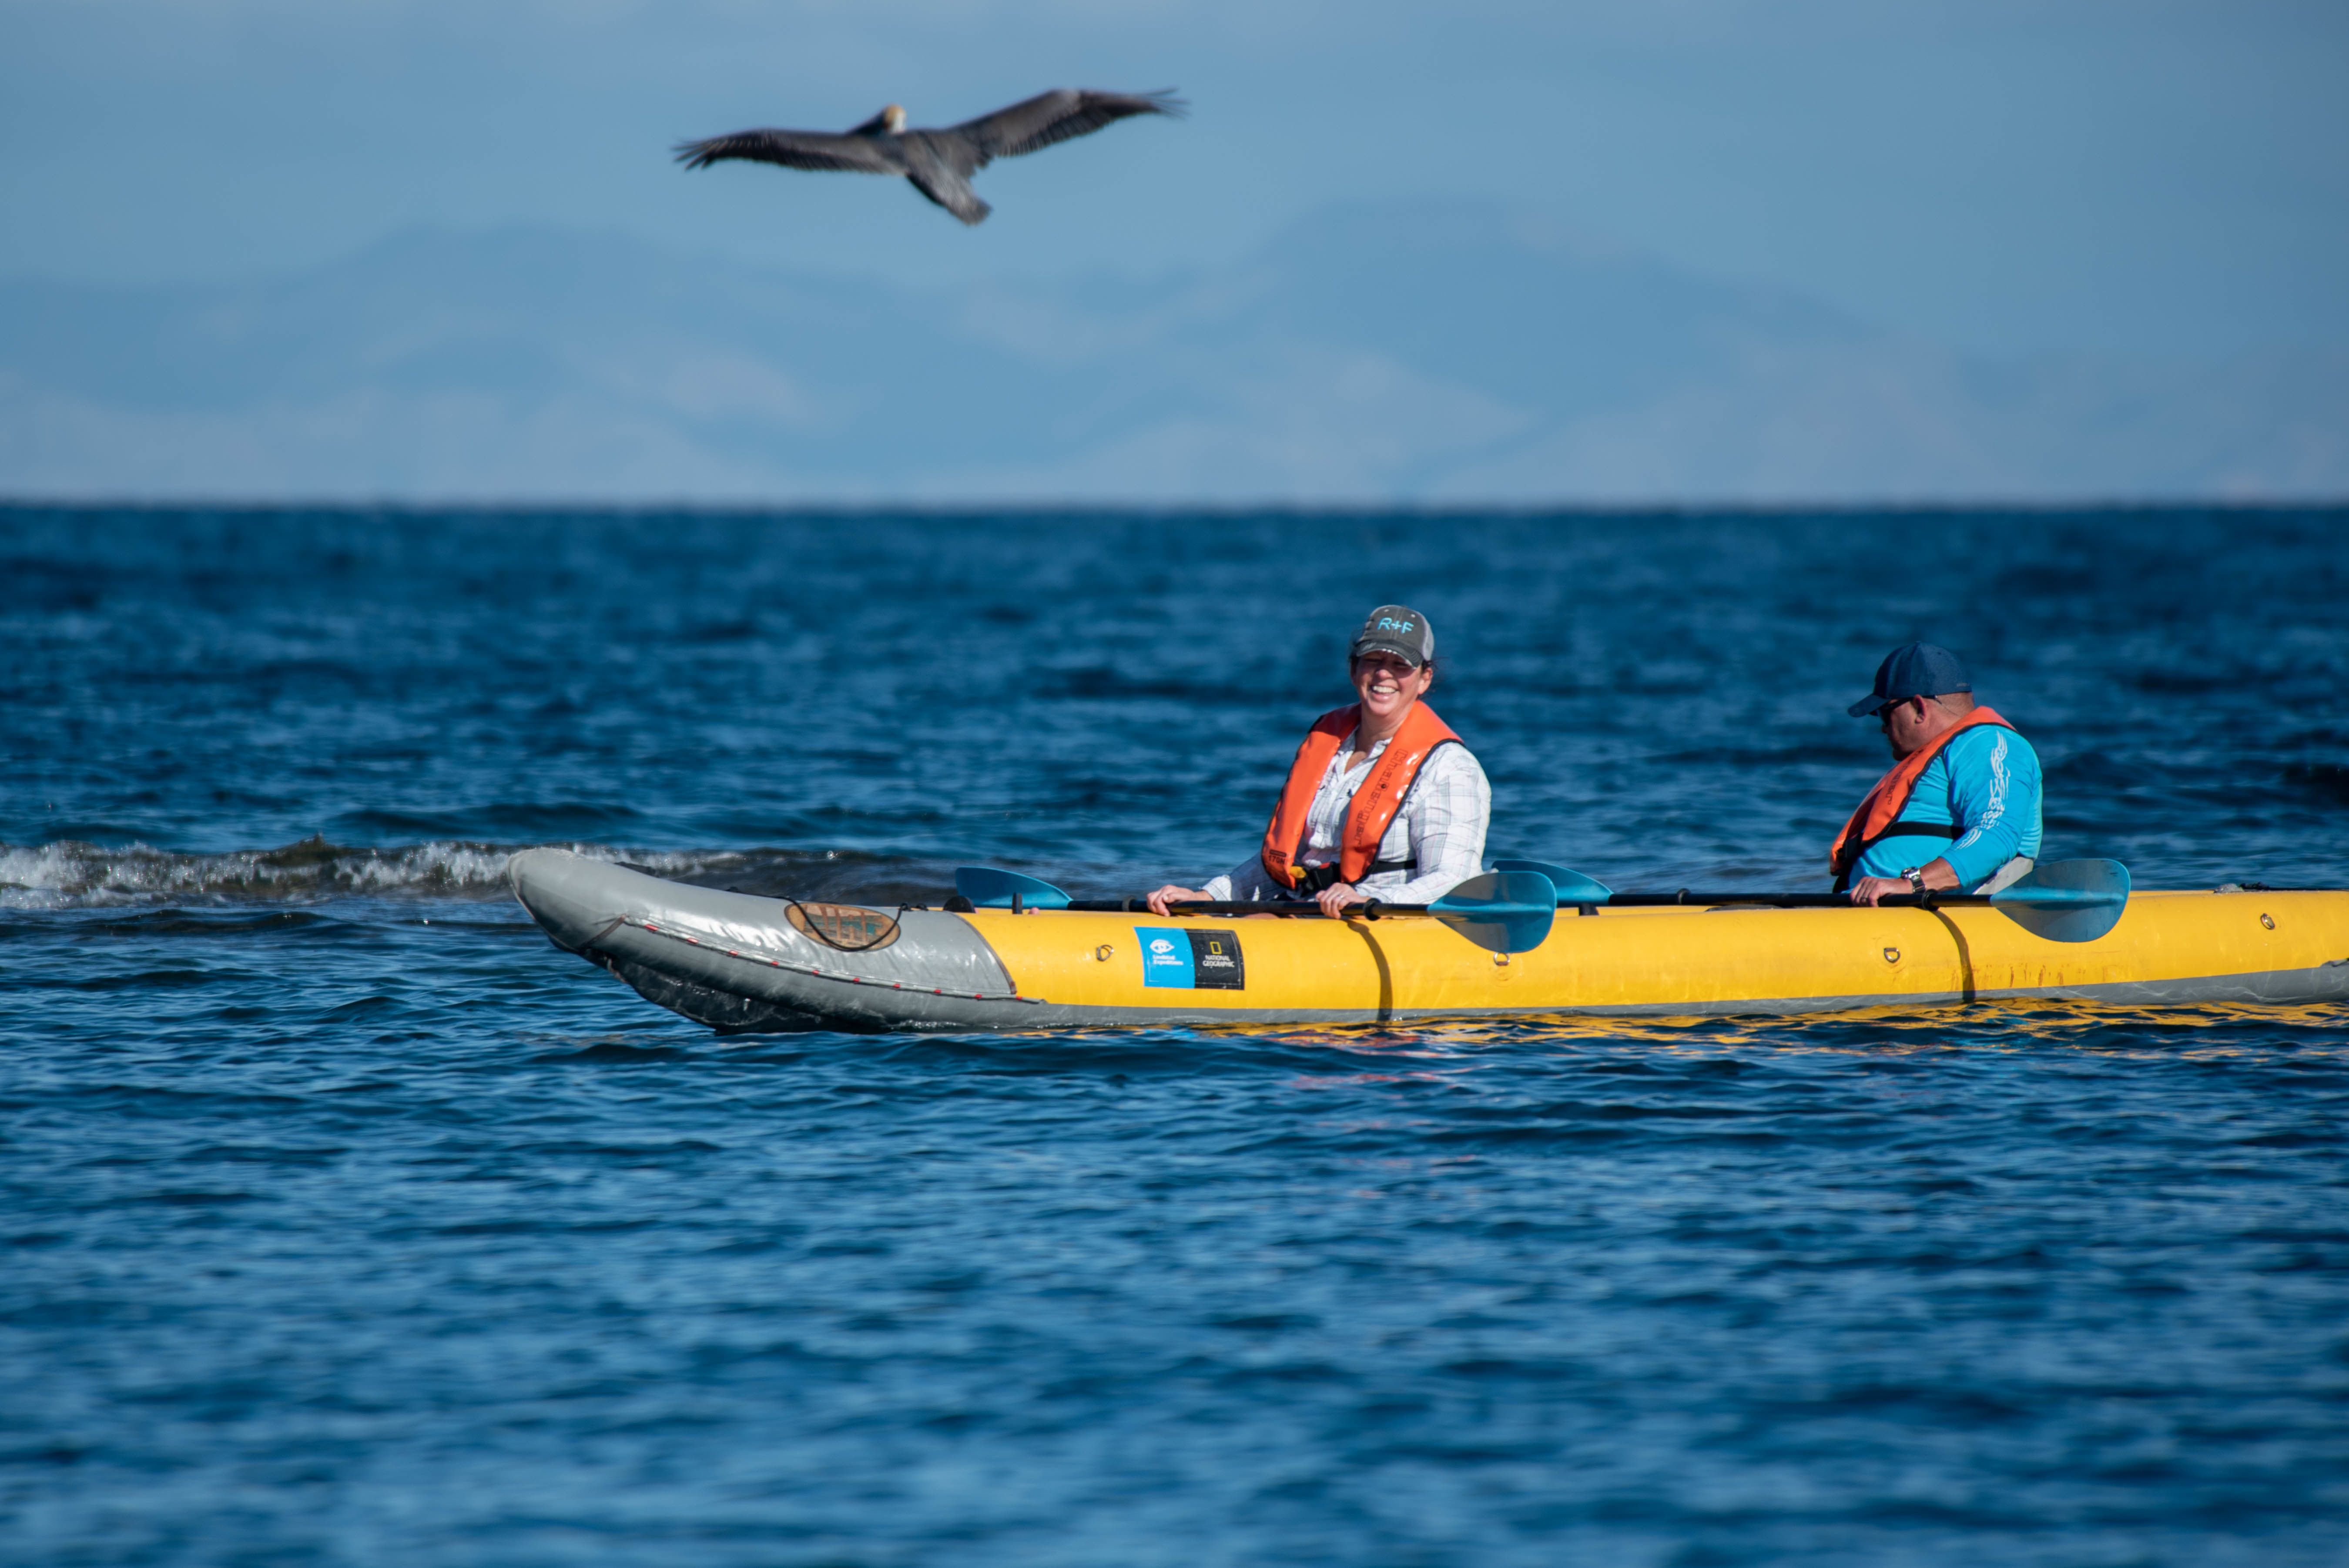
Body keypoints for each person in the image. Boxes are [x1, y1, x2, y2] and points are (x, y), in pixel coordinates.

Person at [1147, 605, 1491, 919]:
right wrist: (1207, 896)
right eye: (1372, 660)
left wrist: (1370, 901)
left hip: (1379, 921)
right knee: (1195, 923)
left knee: (1256, 930)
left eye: (1400, 665)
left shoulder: (1450, 768)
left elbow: (1453, 879)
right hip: (1303, 909)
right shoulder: (1329, 745)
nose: (1383, 674)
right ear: (1354, 670)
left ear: (1424, 678)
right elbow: (1287, 862)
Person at [1833, 641, 2043, 907]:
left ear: (1919, 708)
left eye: (1884, 714)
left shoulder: (1988, 744)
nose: (1883, 728)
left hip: (1916, 912)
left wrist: (1911, 884)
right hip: (1862, 908)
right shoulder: (1936, 754)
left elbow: (1996, 836)